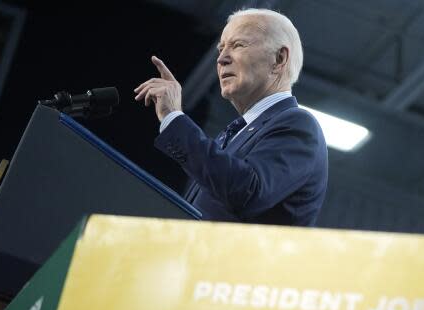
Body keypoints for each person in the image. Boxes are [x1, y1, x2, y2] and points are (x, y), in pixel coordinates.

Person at [134, 8, 327, 226]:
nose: (222, 59)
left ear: (279, 58)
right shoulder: (233, 135)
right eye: (220, 48)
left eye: (238, 45)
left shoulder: (298, 125)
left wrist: (173, 118)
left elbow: (248, 192)